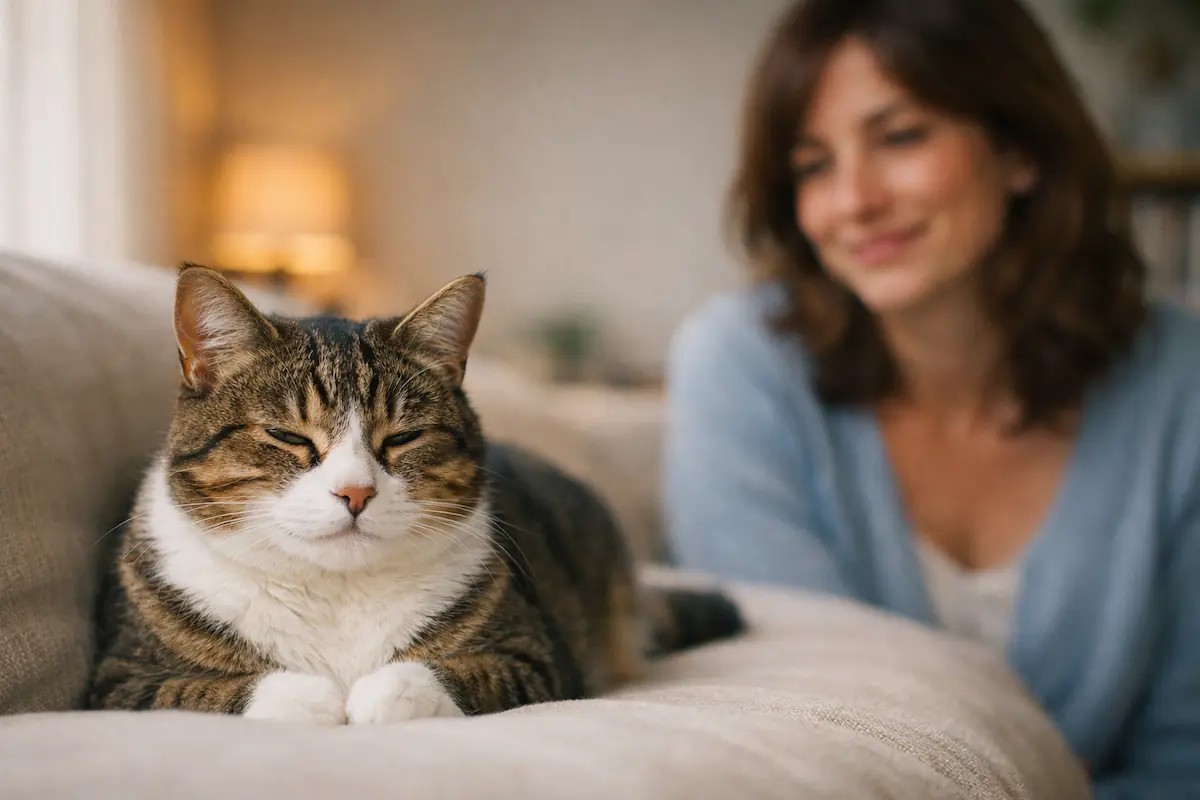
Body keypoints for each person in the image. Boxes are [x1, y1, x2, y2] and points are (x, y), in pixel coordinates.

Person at [661, 0, 1200, 794]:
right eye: (813, 166)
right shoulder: (738, 365)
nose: (853, 202)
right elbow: (801, 718)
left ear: (1020, 149)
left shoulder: (1178, 380)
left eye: (901, 137)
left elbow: (1186, 756)